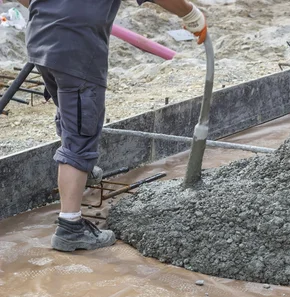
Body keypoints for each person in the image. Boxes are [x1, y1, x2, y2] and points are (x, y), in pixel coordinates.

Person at [21, 0, 207, 252]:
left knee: (71, 115)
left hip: (41, 39)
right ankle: (70, 228)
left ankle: (81, 173)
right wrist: (191, 13)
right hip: (77, 47)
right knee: (81, 132)